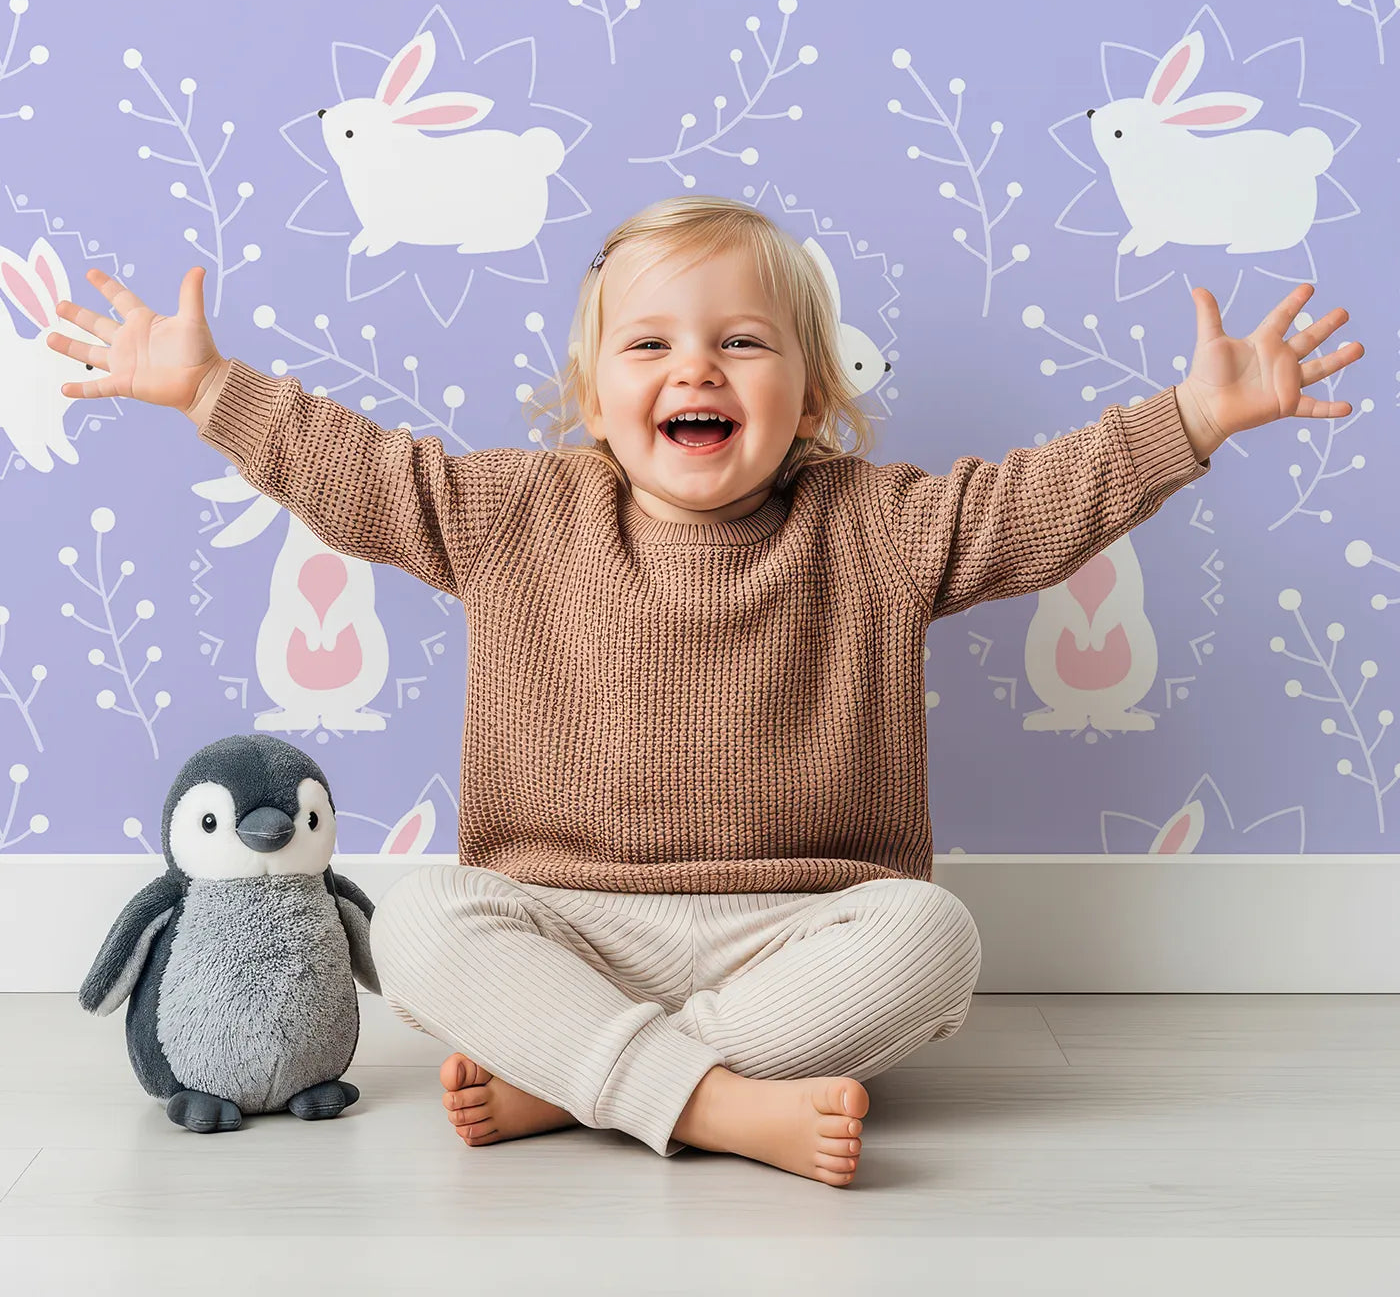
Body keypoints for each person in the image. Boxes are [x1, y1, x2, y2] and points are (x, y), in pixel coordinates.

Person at [48, 195, 1363, 1186]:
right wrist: (210, 390)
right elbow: (354, 470)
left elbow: (1035, 504)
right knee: (422, 921)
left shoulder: (879, 526)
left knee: (935, 939)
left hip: (800, 932)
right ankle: (724, 1102)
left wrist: (1189, 420)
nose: (697, 370)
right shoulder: (512, 513)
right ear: (591, 396)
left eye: (744, 342)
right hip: (563, 920)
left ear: (812, 400)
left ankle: (582, 1082)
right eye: (651, 345)